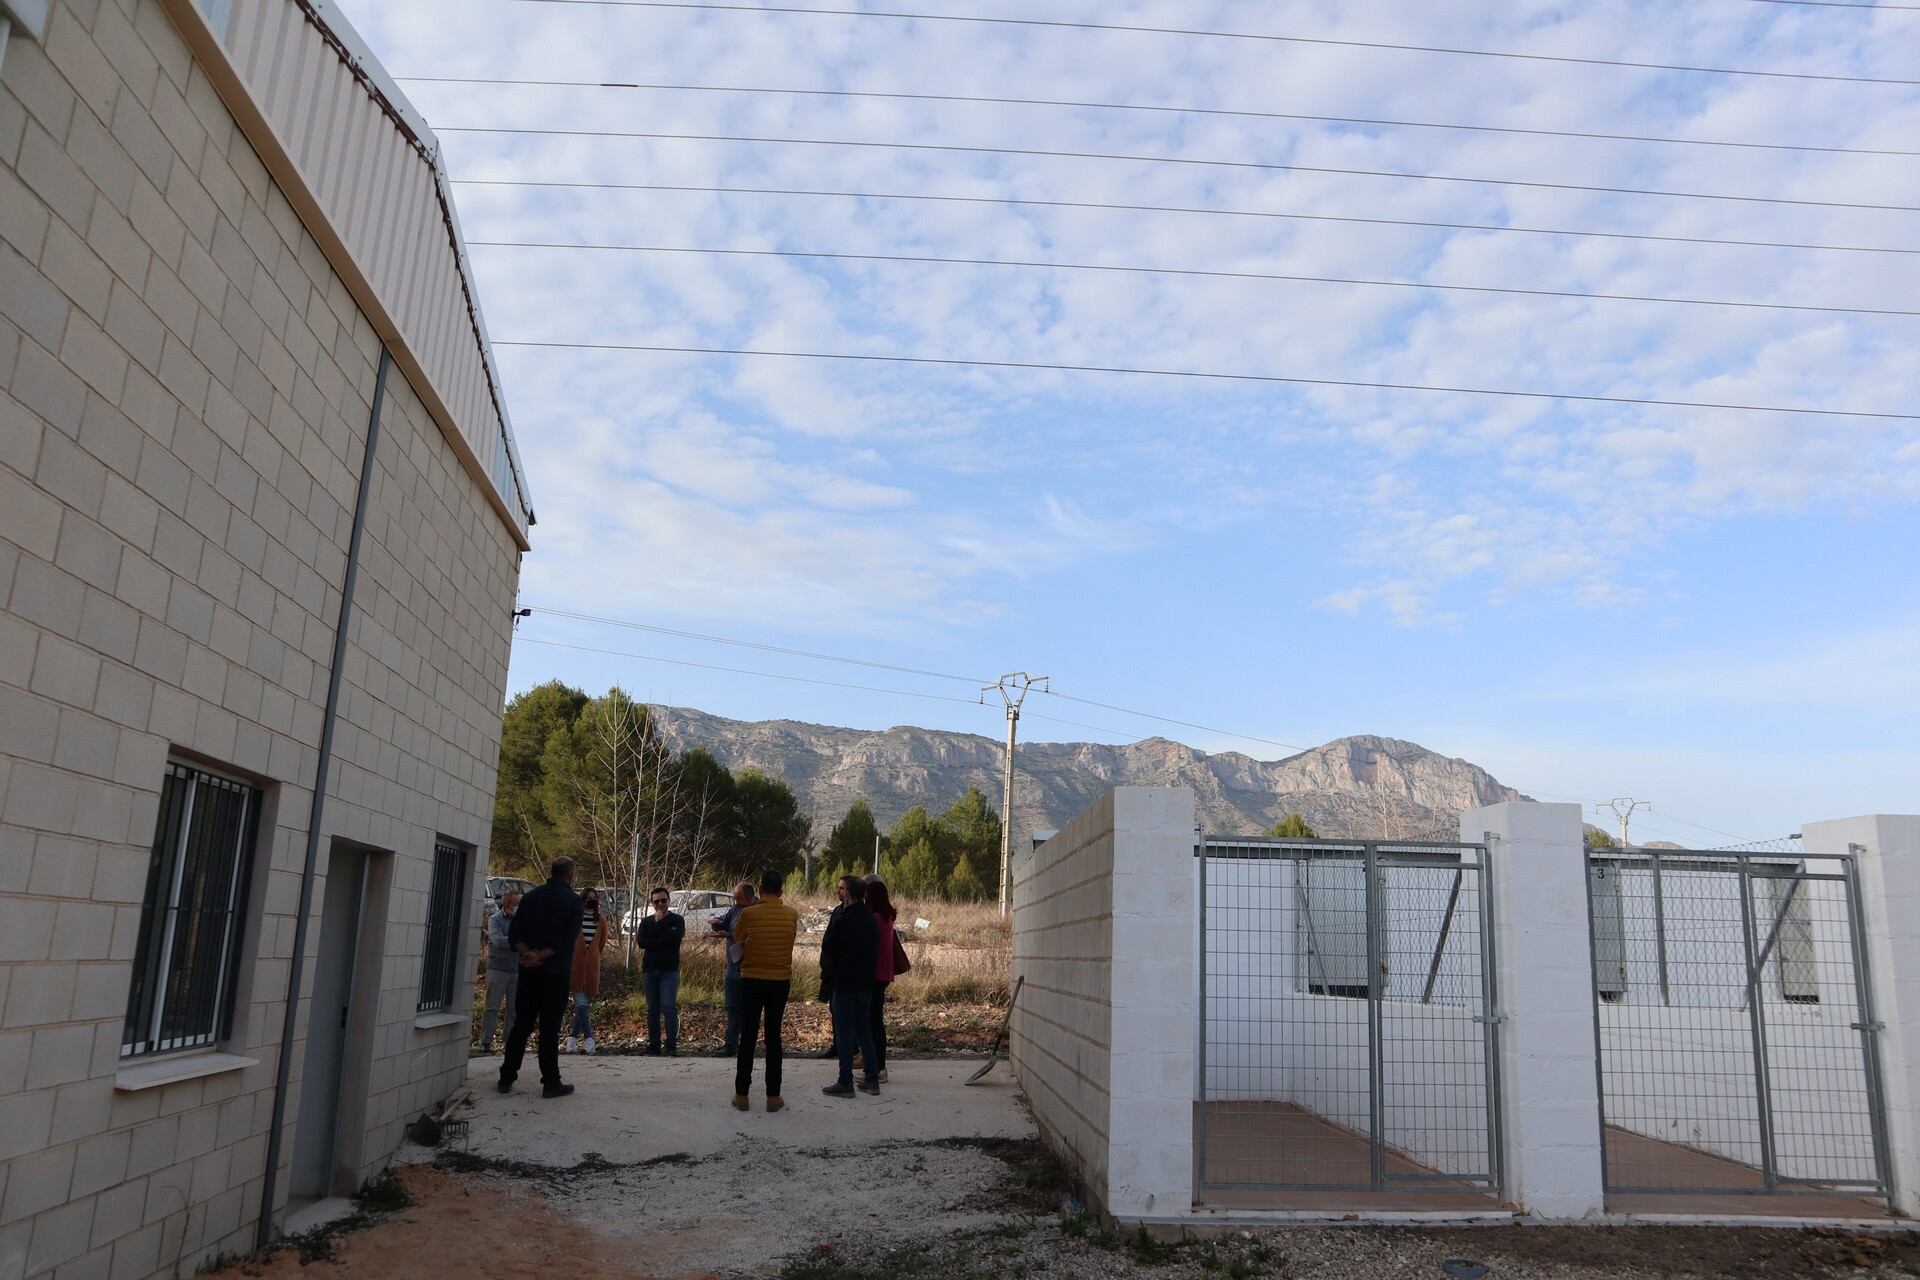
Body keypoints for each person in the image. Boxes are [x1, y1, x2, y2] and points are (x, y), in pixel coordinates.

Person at [500, 857, 583, 1099]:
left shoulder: (531, 897)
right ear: (570, 875)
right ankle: (550, 1082)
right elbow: (566, 940)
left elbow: (516, 931)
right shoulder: (573, 902)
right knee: (549, 1028)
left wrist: (527, 953)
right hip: (555, 973)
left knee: (521, 1025)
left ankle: (506, 1077)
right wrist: (542, 955)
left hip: (528, 971)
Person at [731, 869, 800, 1112]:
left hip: (751, 979)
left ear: (759, 890)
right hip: (779, 981)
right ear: (781, 891)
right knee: (773, 1037)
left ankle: (742, 1095)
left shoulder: (749, 914)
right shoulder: (792, 915)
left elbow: (737, 938)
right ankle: (773, 1096)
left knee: (748, 1036)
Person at [819, 874, 880, 1098]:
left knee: (844, 1033)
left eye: (841, 888)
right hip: (866, 983)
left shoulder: (843, 919)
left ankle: (845, 1082)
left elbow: (829, 946)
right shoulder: (870, 919)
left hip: (845, 982)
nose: (839, 892)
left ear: (850, 893)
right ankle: (872, 1079)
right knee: (864, 1030)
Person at [637, 886, 686, 1055]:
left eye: (663, 900)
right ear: (652, 903)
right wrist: (660, 936)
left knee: (668, 1006)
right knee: (653, 1009)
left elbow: (673, 939)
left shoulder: (677, 920)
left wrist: (658, 928)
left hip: (669, 971)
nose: (660, 904)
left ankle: (671, 1045)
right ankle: (654, 1045)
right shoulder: (646, 922)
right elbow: (642, 942)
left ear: (668, 901)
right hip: (649, 970)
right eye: (656, 901)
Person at [712, 880, 757, 1057]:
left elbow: (751, 936)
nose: (736, 902)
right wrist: (716, 924)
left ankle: (747, 1047)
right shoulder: (735, 909)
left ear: (750, 896)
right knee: (732, 1007)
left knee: (749, 1010)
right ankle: (730, 1046)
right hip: (732, 965)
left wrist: (729, 935)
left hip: (750, 967)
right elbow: (726, 922)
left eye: (739, 898)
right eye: (734, 898)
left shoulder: (757, 911)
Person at [567, 887, 614, 1054]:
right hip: (575, 967)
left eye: (593, 897)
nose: (590, 900)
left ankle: (572, 1039)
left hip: (592, 967)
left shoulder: (601, 920)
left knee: (583, 1005)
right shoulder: (574, 919)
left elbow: (601, 943)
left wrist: (592, 957)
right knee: (580, 1003)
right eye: (587, 897)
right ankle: (589, 1039)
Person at [478, 889, 522, 1053]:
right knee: (492, 1007)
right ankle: (486, 1041)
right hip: (498, 968)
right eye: (517, 903)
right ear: (509, 904)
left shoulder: (521, 920)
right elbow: (497, 940)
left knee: (513, 1008)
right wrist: (518, 941)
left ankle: (509, 1042)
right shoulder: (495, 920)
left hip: (516, 969)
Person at [865, 876, 898, 1085]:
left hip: (874, 975)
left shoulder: (875, 919)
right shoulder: (887, 917)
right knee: (875, 1021)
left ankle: (878, 1068)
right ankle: (878, 1066)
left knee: (873, 1022)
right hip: (884, 974)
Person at [815, 875, 851, 1058]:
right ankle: (838, 1045)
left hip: (846, 972)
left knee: (847, 1012)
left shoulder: (855, 914)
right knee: (834, 1010)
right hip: (832, 971)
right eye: (839, 888)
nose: (840, 892)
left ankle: (850, 1050)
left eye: (843, 888)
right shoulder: (837, 911)